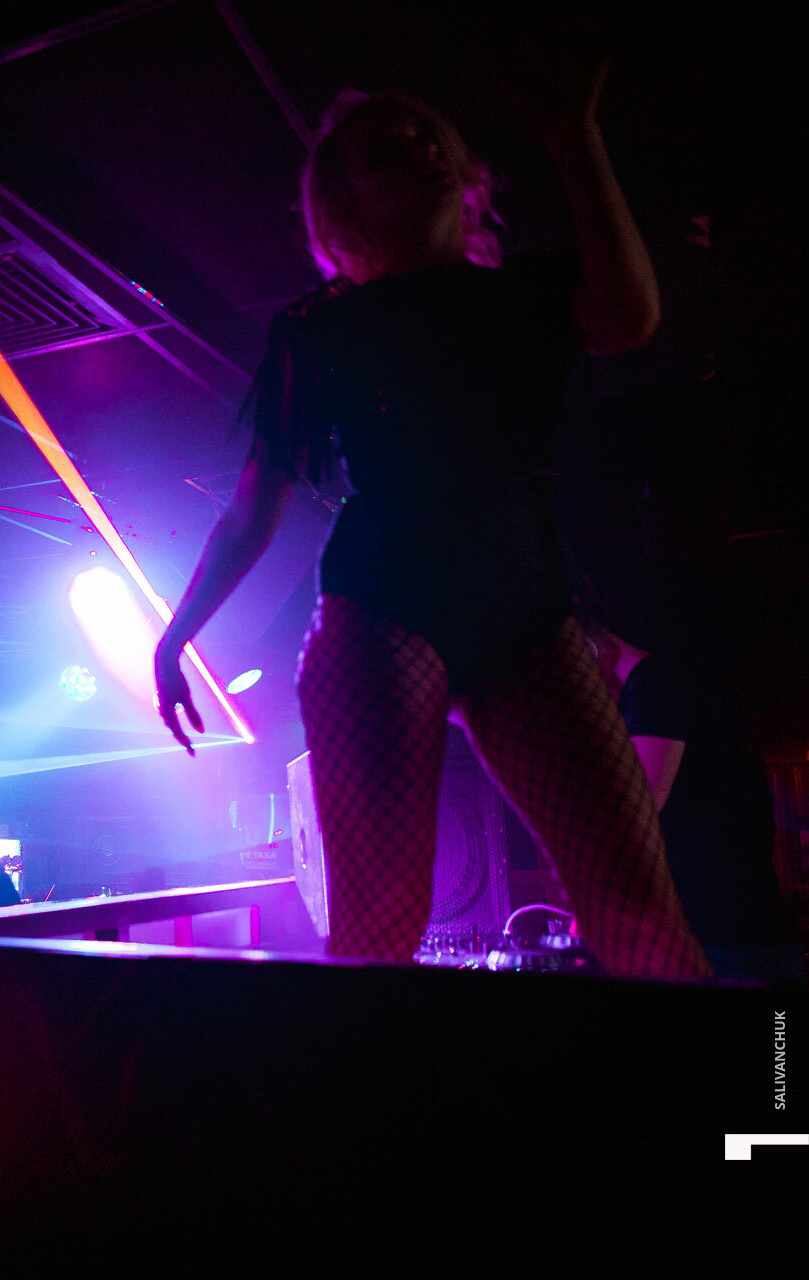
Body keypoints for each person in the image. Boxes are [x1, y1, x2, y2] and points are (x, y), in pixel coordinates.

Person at [151, 44, 711, 978]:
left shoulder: (522, 295)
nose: (413, 145)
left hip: (525, 614)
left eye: (424, 133)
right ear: (340, 202)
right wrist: (177, 636)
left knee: (642, 915)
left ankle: (763, 1080)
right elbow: (255, 505)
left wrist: (575, 134)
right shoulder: (318, 327)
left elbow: (631, 318)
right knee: (378, 935)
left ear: (464, 166)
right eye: (382, 149)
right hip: (380, 609)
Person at [581, 613, 805, 984]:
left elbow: (640, 804)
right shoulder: (661, 684)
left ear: (589, 645)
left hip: (728, 936)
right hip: (732, 929)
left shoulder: (656, 683)